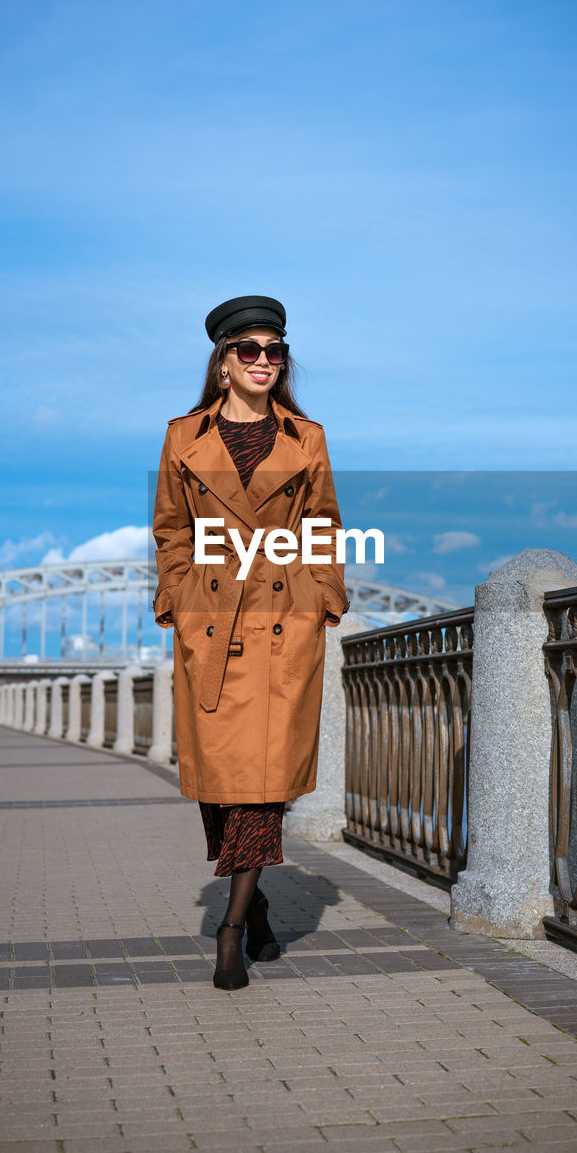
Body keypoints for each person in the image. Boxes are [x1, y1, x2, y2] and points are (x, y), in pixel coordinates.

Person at [151, 295, 350, 990]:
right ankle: (256, 899)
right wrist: (175, 596)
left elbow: (323, 523)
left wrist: (323, 598)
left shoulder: (307, 438)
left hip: (279, 623)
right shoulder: (183, 437)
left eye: (276, 350)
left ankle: (230, 928)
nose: (265, 361)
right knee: (218, 785)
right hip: (209, 624)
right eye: (250, 350)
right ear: (224, 362)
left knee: (261, 788)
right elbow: (172, 529)